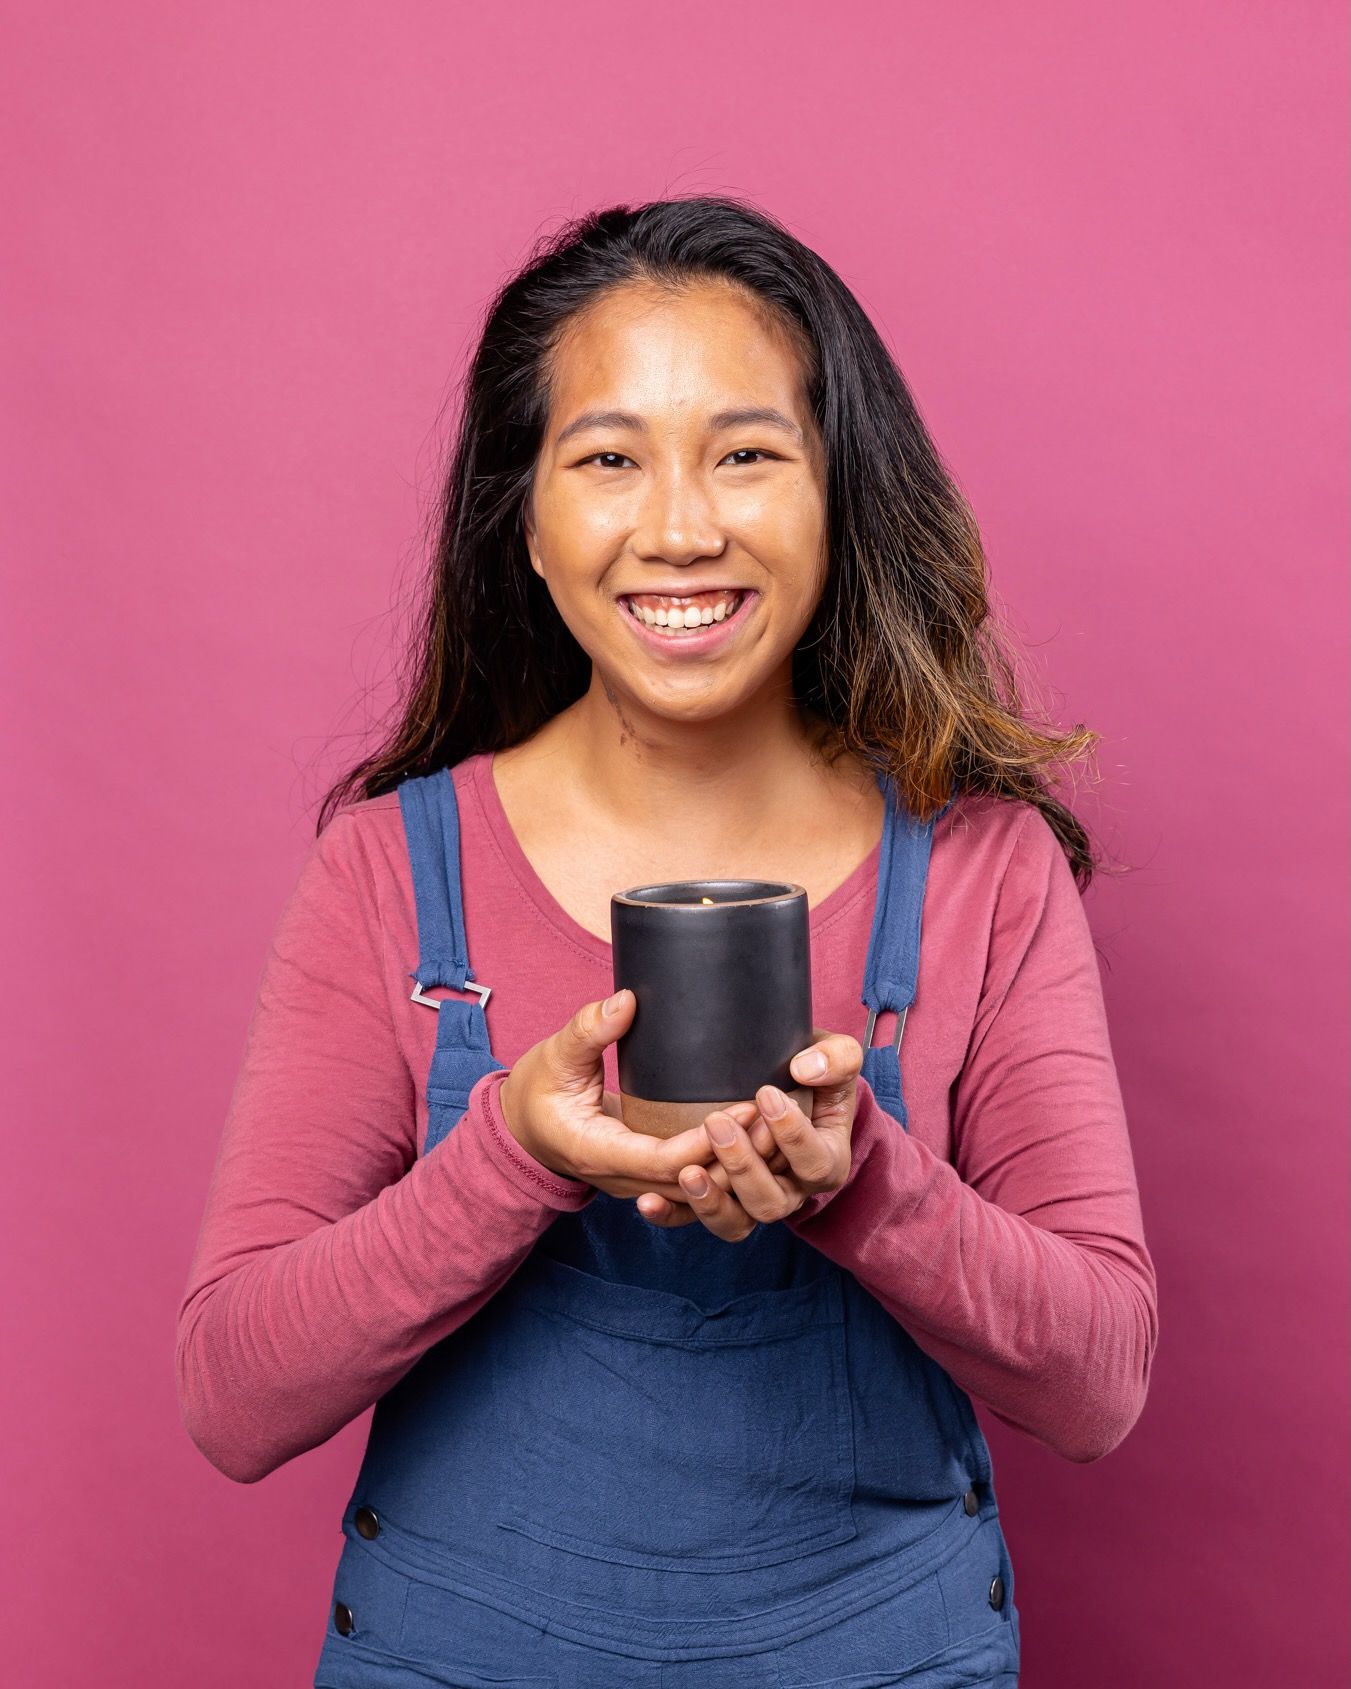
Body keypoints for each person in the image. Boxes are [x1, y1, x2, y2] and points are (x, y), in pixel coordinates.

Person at [175, 195, 1158, 1688]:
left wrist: (866, 1180)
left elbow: (1100, 1383)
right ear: (527, 513)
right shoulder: (391, 869)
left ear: (840, 494)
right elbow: (234, 1395)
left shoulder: (980, 868)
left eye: (749, 453)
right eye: (610, 458)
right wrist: (510, 1151)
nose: (682, 526)